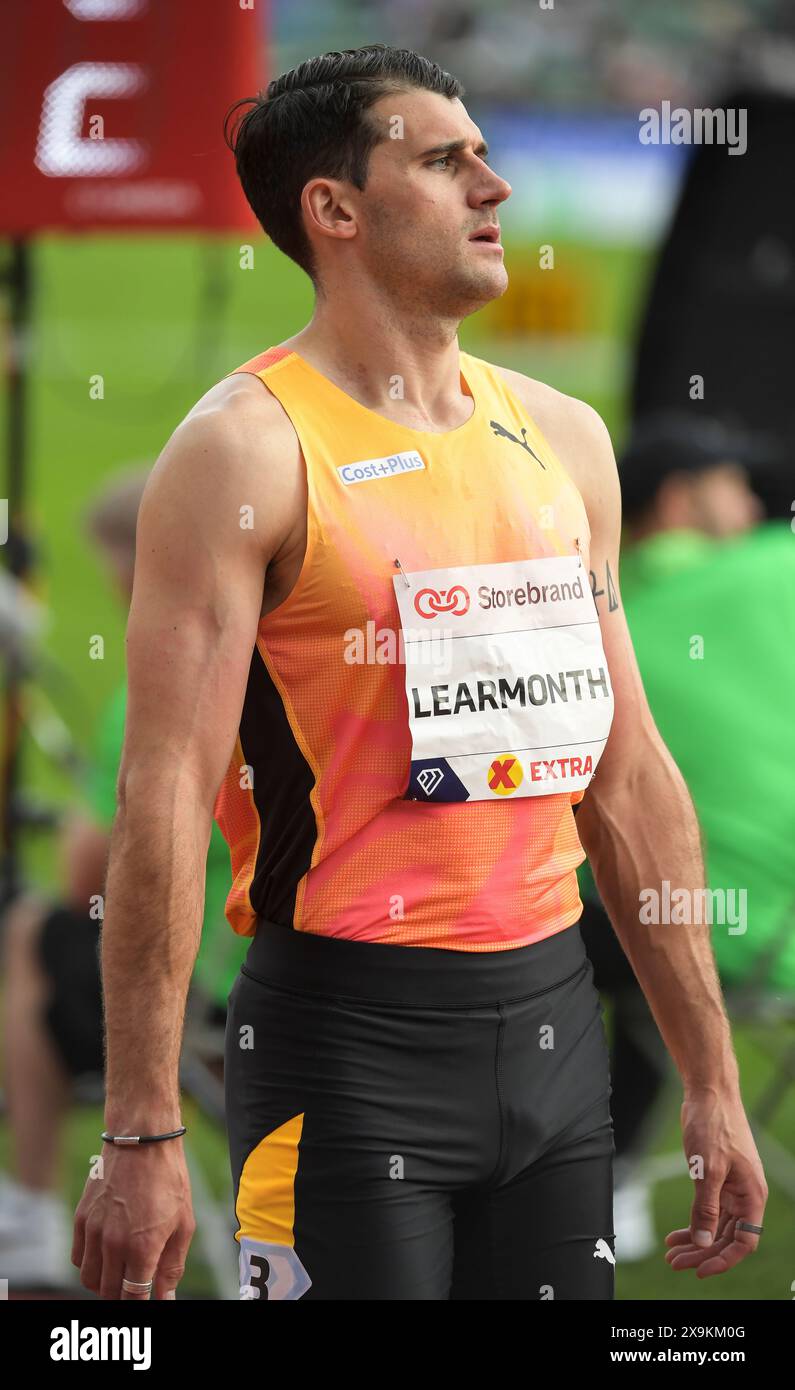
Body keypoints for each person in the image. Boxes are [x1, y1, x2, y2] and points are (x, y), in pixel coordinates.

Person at [71, 45, 767, 1302]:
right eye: (446, 162)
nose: (497, 188)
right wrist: (138, 1126)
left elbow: (630, 778)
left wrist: (711, 1077)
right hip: (343, 1046)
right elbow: (162, 793)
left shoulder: (564, 438)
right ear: (333, 210)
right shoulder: (245, 451)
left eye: (485, 155)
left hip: (556, 1030)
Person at [0, 468, 244, 1289]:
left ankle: (27, 1212)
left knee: (32, 933)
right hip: (310, 969)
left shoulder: (153, 684)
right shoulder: (289, 652)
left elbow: (83, 875)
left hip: (206, 989)